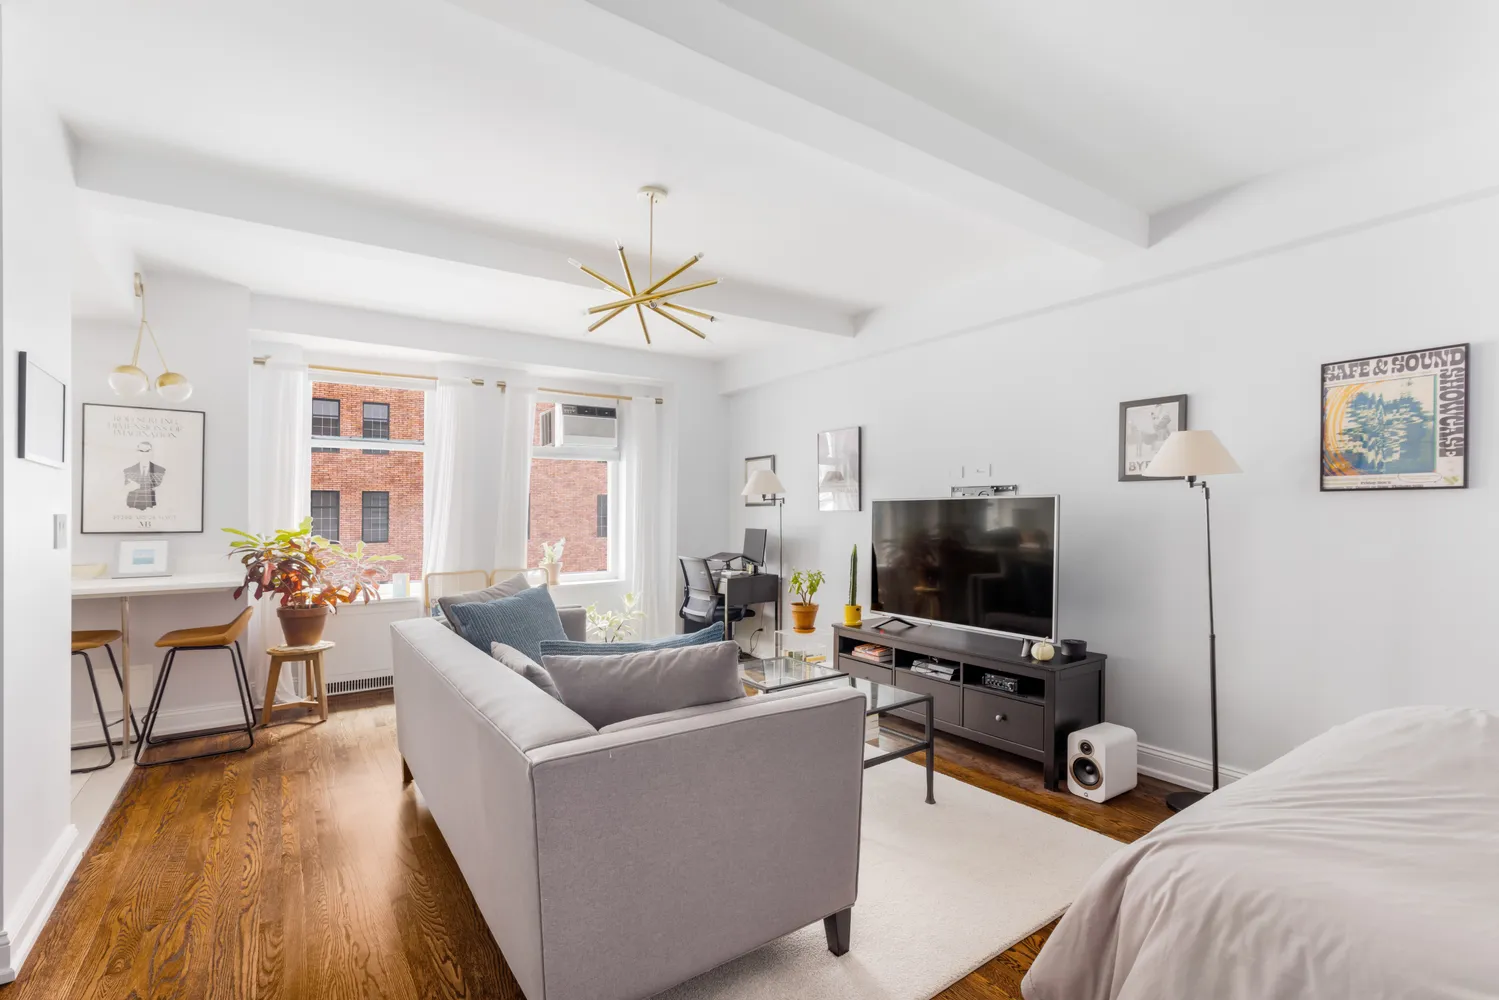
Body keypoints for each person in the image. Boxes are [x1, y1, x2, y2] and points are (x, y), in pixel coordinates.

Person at [124, 440, 166, 510]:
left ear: (152, 453)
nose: (144, 454)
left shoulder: (161, 471)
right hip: (132, 508)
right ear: (136, 453)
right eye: (141, 451)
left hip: (154, 508)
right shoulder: (127, 471)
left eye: (147, 451)